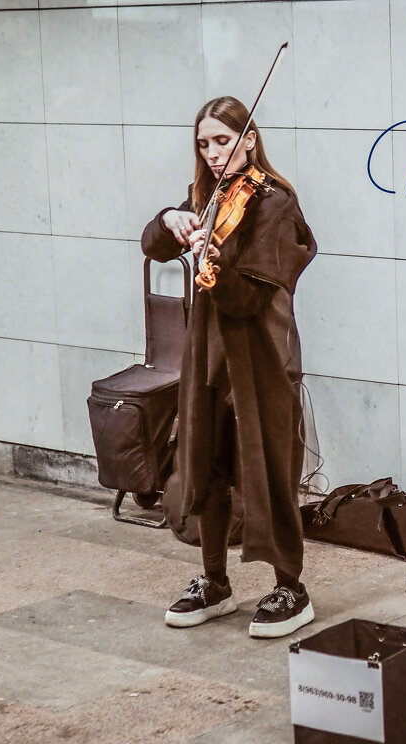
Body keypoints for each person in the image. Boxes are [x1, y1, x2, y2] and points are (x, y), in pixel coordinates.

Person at [141, 96, 317, 639]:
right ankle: (214, 581)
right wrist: (170, 222)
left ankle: (291, 585)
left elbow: (249, 298)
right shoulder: (205, 196)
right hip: (207, 358)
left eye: (223, 140)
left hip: (260, 358)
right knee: (205, 462)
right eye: (204, 143)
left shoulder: (275, 203)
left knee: (271, 467)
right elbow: (152, 246)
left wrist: (215, 266)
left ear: (250, 138)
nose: (214, 153)